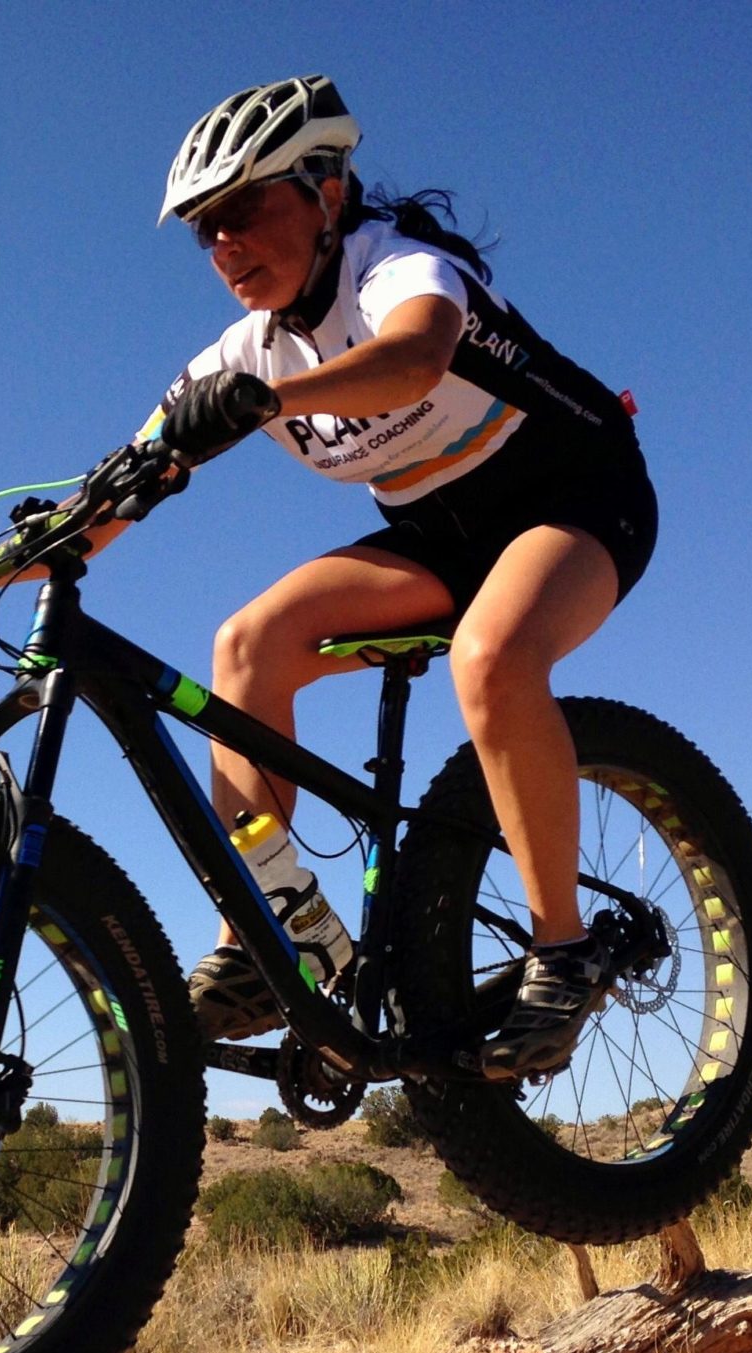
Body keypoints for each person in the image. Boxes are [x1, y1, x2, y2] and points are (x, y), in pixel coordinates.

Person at [141, 75, 659, 1082]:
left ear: (328, 192)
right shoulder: (243, 352)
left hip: (578, 497)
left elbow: (416, 356)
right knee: (245, 645)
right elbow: (131, 478)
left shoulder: (397, 265)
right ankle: (257, 941)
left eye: (244, 210)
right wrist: (4, 566)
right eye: (204, 231)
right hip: (439, 537)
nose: (224, 246)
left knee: (493, 655)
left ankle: (564, 949)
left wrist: (257, 403)